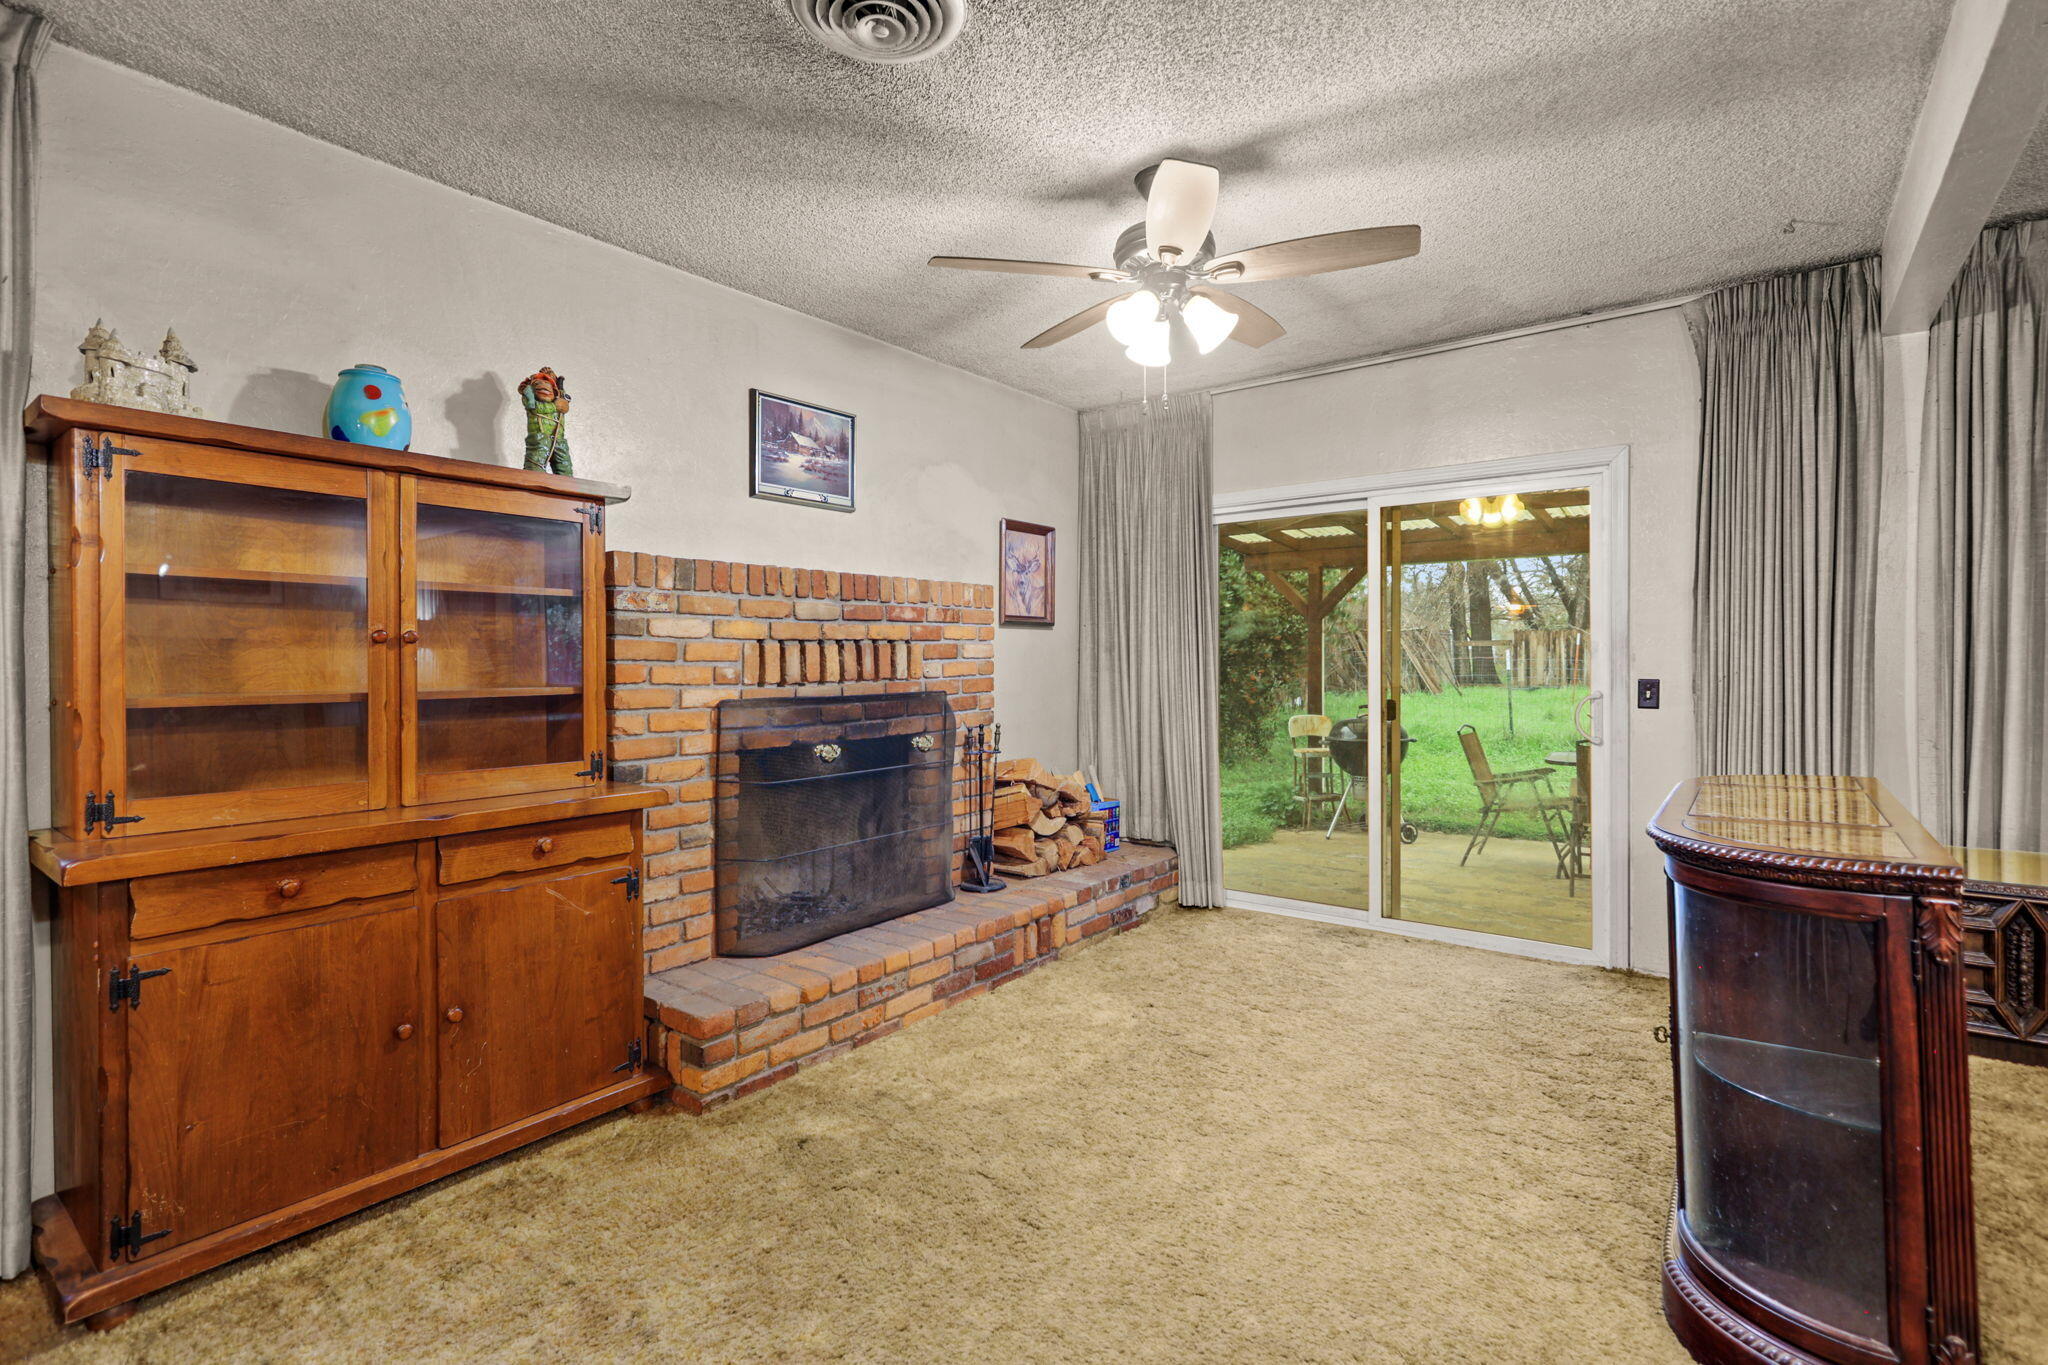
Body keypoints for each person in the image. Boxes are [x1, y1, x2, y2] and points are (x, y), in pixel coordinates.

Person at [519, 367, 572, 474]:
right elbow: (534, 407)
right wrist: (555, 406)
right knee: (535, 466)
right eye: (538, 383)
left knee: (564, 468)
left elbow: (561, 397)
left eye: (548, 383)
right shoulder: (530, 397)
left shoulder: (559, 399)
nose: (543, 385)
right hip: (540, 438)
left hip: (559, 440)